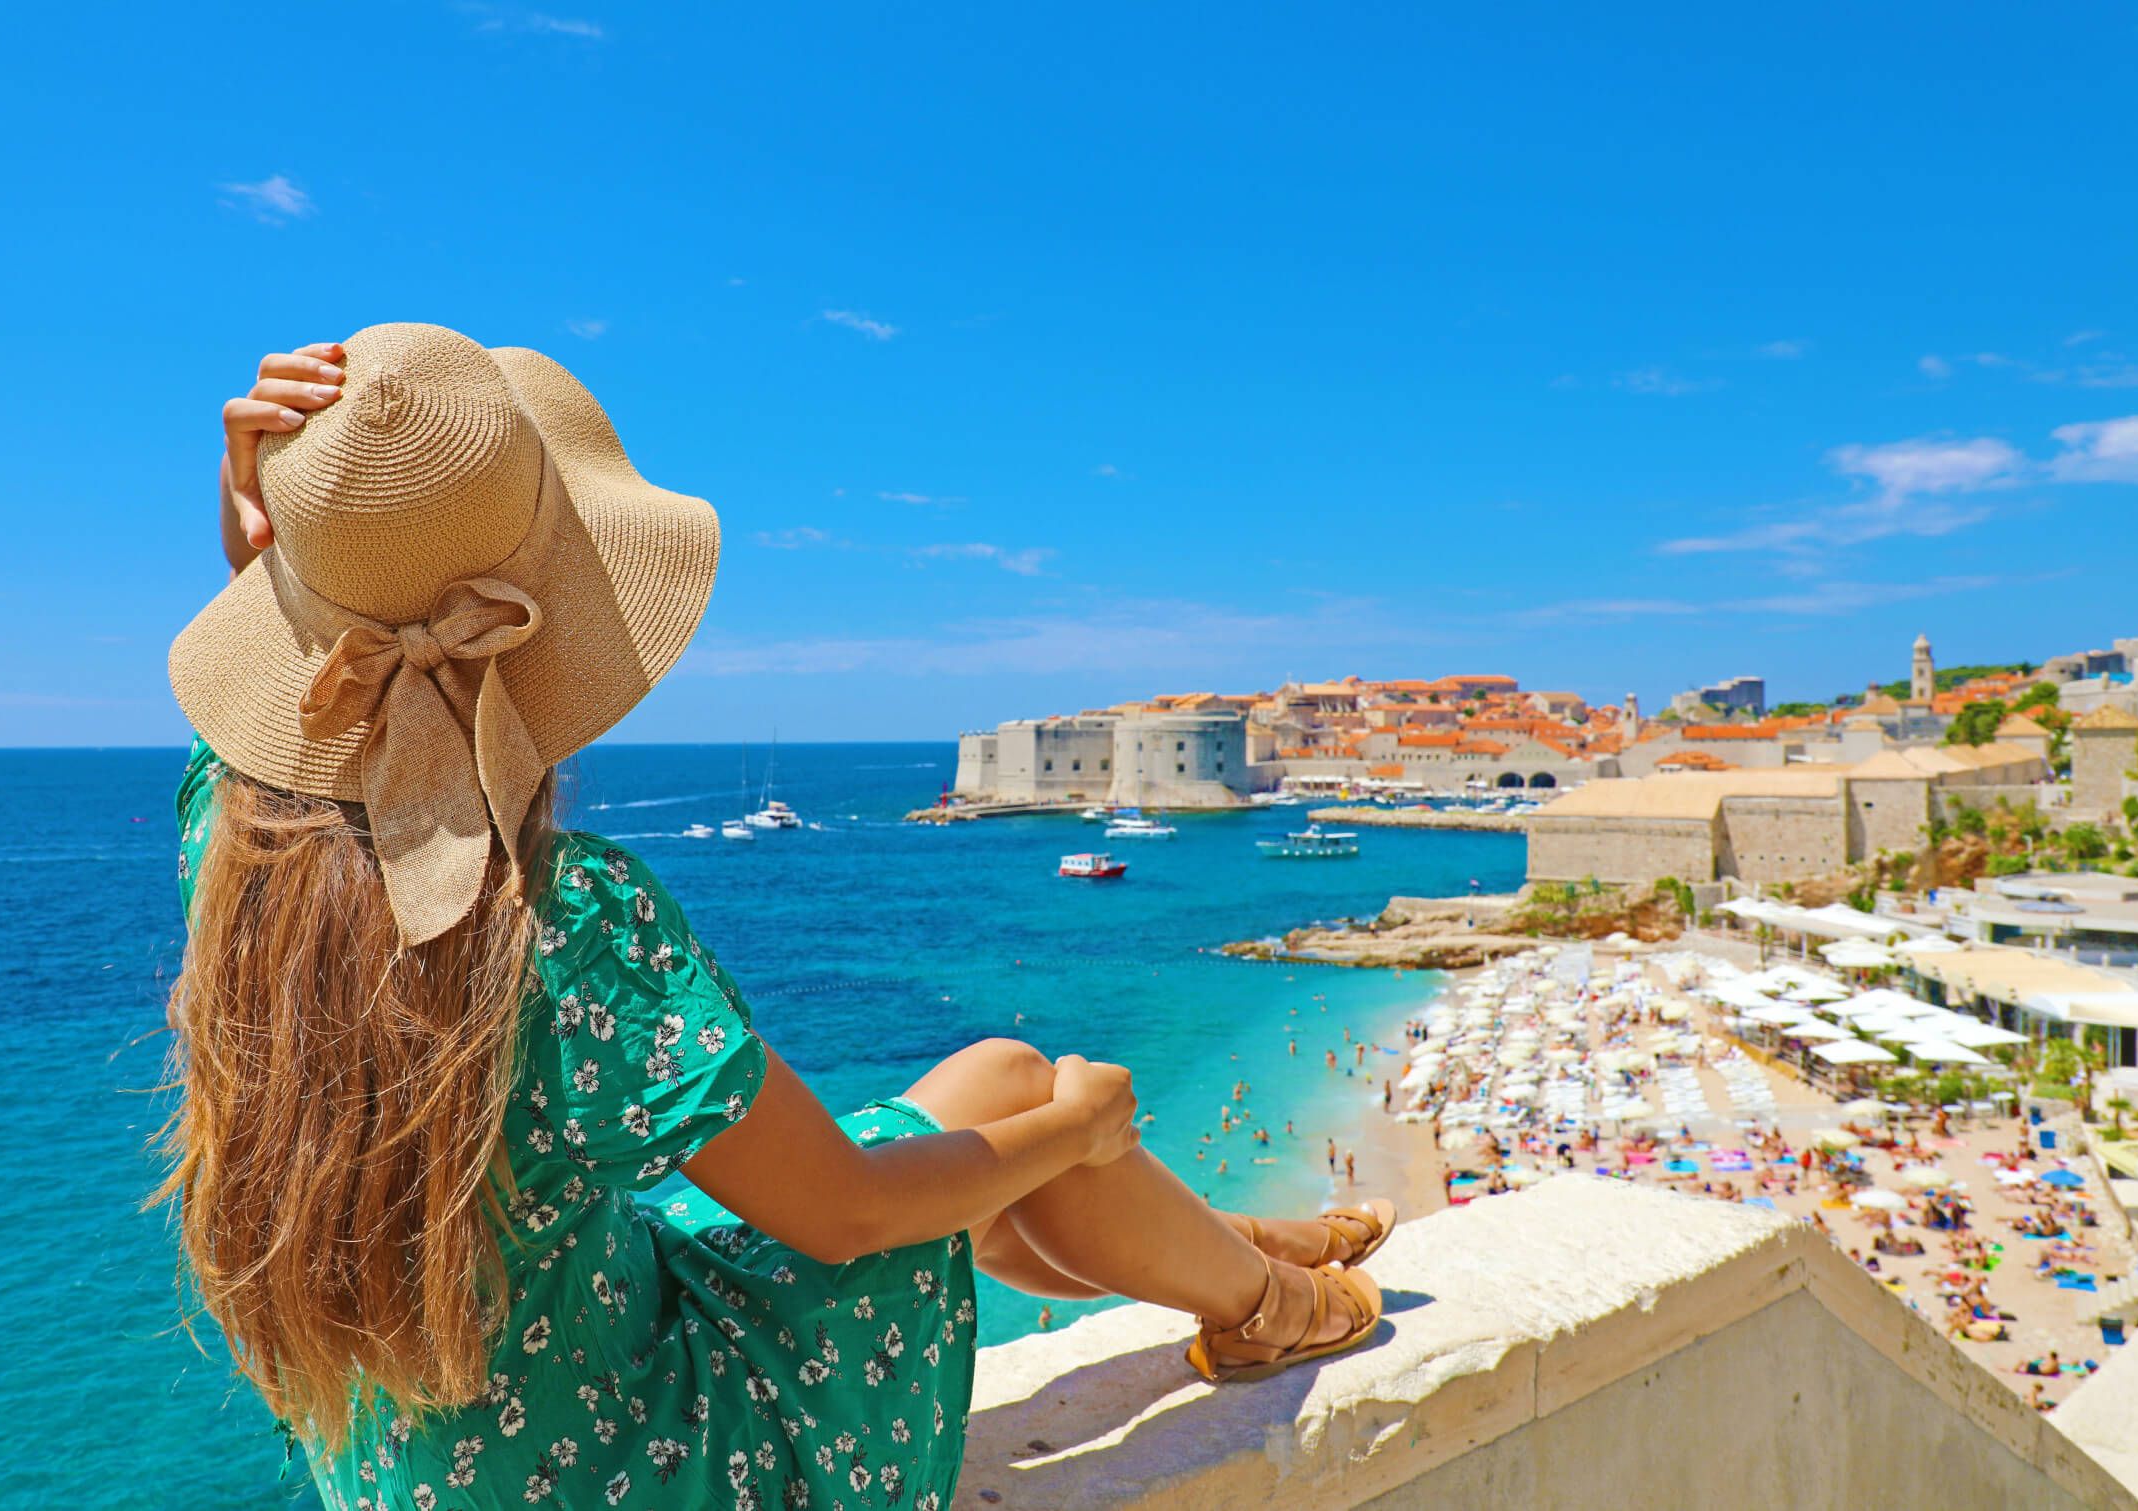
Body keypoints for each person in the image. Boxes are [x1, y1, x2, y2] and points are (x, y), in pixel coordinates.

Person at [160, 326, 1397, 1509]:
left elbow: (311, 743)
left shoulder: (234, 851)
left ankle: (1249, 1250)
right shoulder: (564, 918)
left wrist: (314, 548)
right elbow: (847, 1213)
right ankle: (1266, 1299)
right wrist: (1078, 1130)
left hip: (428, 1469)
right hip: (658, 1469)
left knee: (1003, 1092)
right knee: (1026, 1084)